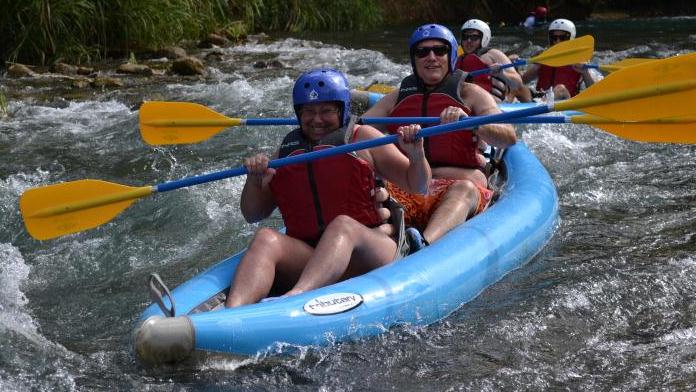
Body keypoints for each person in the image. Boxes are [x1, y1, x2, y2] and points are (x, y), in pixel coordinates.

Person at [225, 68, 431, 307]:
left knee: (342, 225)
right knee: (266, 238)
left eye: (326, 111)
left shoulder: (364, 138)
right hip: (314, 258)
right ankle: (231, 313)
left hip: (370, 253)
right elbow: (253, 215)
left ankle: (294, 298)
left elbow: (419, 185)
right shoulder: (287, 152)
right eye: (309, 112)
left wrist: (417, 156)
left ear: (342, 110)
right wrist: (254, 180)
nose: (317, 120)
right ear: (298, 113)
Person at [363, 24, 517, 250]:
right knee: (375, 188)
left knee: (464, 189)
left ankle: (424, 245)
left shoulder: (469, 93)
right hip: (409, 186)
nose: (431, 57)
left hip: (459, 184)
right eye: (422, 52)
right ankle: (378, 240)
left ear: (451, 55)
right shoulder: (399, 97)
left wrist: (472, 124)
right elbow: (358, 132)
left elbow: (508, 136)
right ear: (414, 59)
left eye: (439, 50)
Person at [455, 19, 532, 103]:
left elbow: (517, 83)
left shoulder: (494, 54)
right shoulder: (457, 59)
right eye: (465, 37)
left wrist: (502, 74)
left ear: (484, 38)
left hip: (496, 104)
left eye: (474, 37)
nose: (468, 41)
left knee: (520, 89)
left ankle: (531, 105)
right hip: (468, 103)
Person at [521, 18, 596, 100]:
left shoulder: (579, 59)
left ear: (571, 38)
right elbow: (523, 81)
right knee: (518, 86)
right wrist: (538, 65)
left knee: (560, 88)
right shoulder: (544, 56)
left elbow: (595, 90)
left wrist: (585, 71)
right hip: (540, 99)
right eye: (554, 38)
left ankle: (542, 104)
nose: (557, 41)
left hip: (566, 101)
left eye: (562, 38)